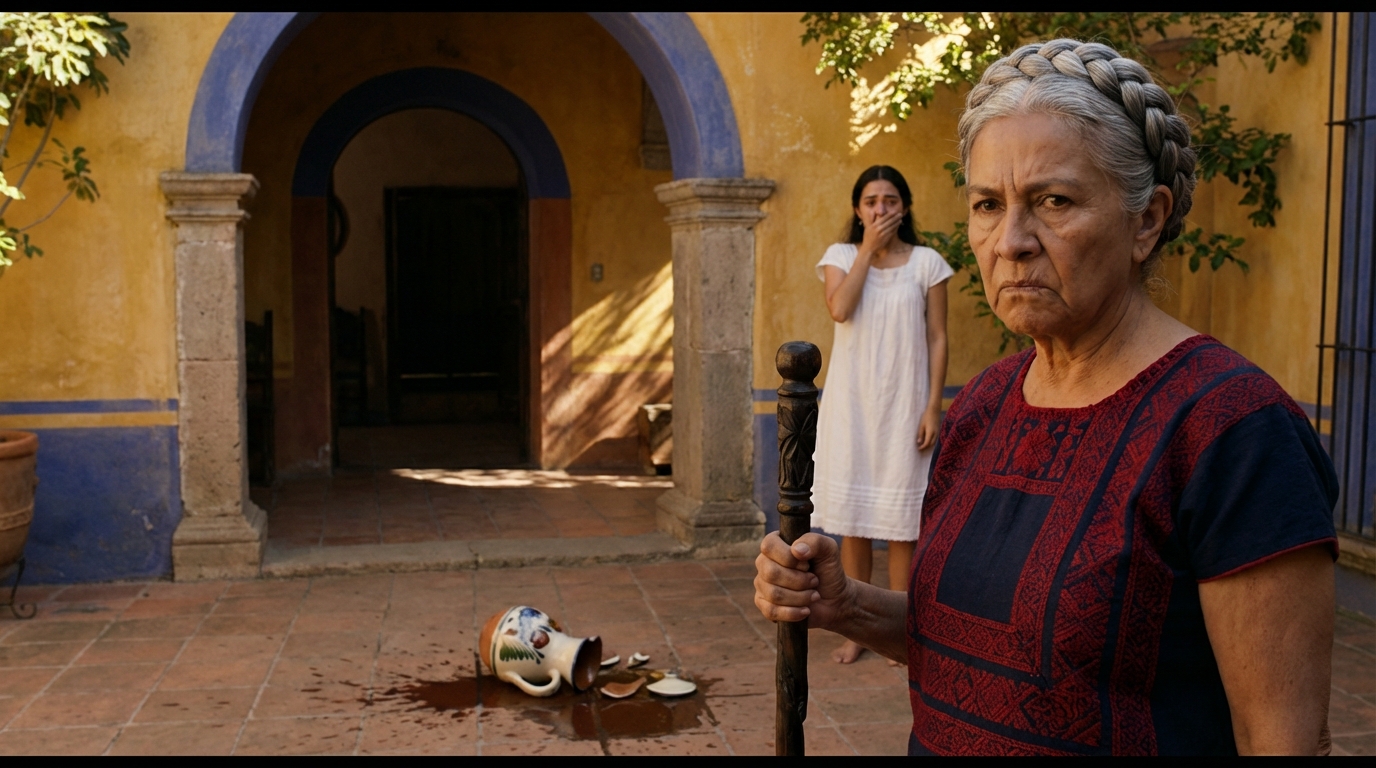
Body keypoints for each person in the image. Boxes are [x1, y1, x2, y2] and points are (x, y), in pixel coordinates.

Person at [755, 39, 1337, 755]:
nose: (1011, 241)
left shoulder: (1234, 431)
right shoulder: (986, 404)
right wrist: (847, 605)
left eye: (1053, 201)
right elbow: (969, 648)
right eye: (988, 205)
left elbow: (1279, 738)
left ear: (1147, 220)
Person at [812, 165, 952, 664]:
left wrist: (933, 405)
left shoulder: (928, 263)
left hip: (905, 409)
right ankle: (860, 631)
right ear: (857, 209)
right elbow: (839, 309)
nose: (880, 209)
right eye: (871, 201)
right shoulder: (841, 257)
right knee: (854, 524)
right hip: (851, 410)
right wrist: (868, 250)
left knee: (901, 525)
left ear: (905, 207)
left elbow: (937, 336)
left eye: (890, 200)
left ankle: (904, 631)